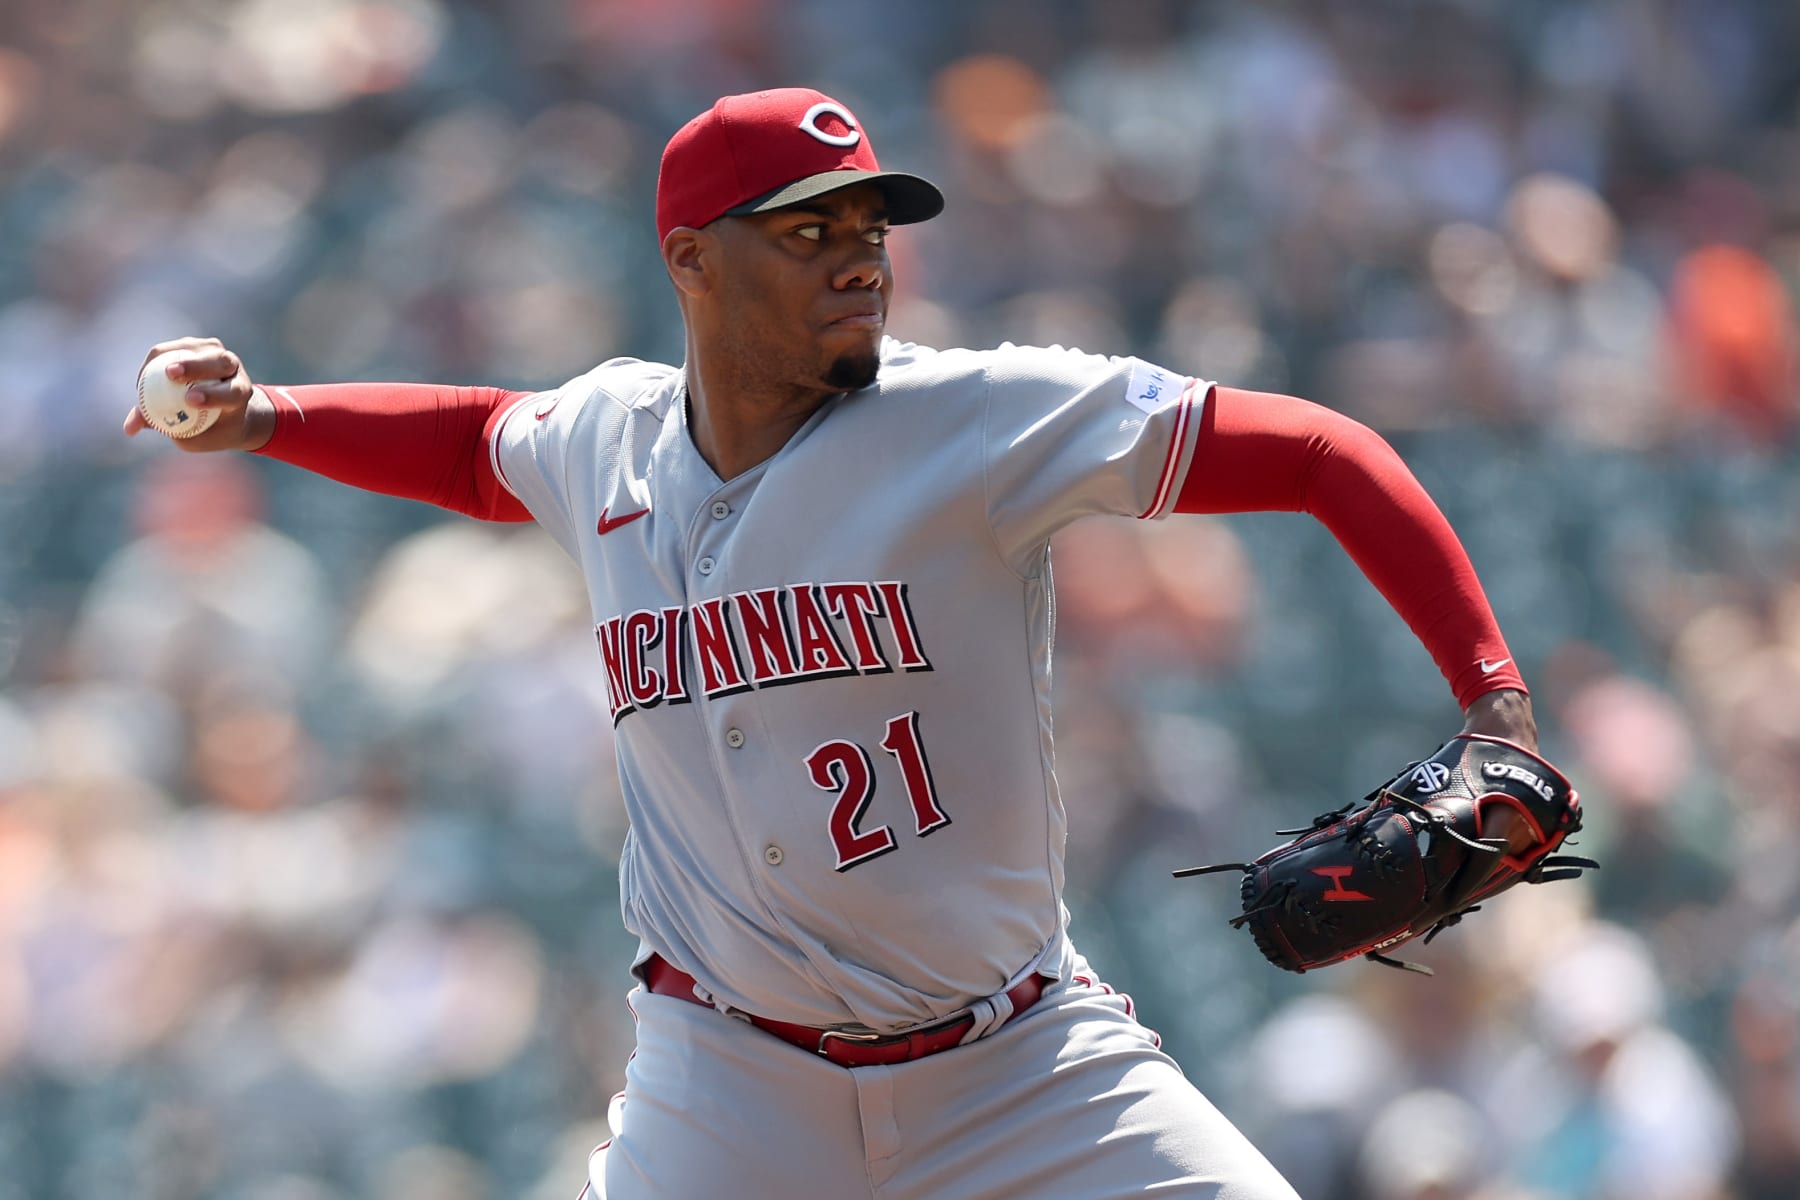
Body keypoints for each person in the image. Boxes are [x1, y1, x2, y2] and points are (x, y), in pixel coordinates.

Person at [127, 87, 1539, 1200]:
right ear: (691, 259)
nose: (860, 259)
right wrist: (266, 417)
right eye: (808, 232)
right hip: (727, 1085)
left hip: (1018, 1065)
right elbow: (473, 445)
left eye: (870, 227)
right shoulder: (607, 439)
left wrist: (1496, 706)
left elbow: (1323, 452)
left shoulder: (976, 419)